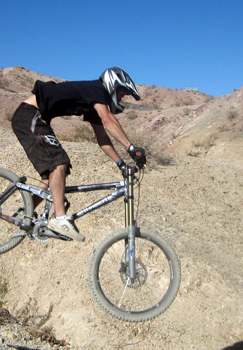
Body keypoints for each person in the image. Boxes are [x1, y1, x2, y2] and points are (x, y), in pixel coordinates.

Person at [11, 67, 145, 242]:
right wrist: (131, 148)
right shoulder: (97, 89)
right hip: (29, 114)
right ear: (112, 85)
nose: (121, 97)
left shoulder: (93, 104)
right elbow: (108, 120)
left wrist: (121, 163)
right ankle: (60, 219)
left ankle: (25, 213)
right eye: (121, 92)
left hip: (35, 118)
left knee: (55, 174)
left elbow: (102, 137)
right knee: (59, 163)